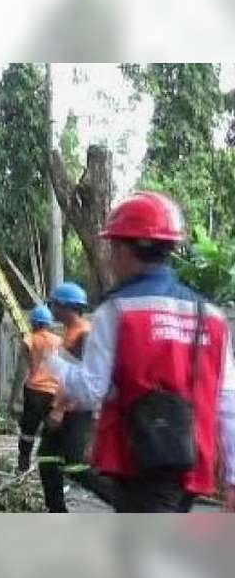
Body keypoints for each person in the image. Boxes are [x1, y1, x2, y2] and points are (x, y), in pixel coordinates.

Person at [46, 191, 235, 512]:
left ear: (123, 249)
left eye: (112, 248)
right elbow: (228, 401)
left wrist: (51, 361)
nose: (109, 256)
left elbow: (92, 389)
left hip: (138, 462)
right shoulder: (212, 317)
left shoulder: (118, 311)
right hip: (191, 465)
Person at [36, 281, 115, 512]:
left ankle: (122, 502)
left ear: (67, 307)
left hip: (77, 410)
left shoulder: (84, 335)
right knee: (47, 460)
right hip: (64, 407)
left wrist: (60, 408)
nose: (52, 309)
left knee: (75, 465)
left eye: (55, 305)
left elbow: (83, 379)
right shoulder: (69, 333)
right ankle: (56, 511)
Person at [17, 305, 62, 474]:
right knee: (52, 432)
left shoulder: (30, 339)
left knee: (28, 430)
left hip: (34, 390)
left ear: (33, 323)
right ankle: (53, 468)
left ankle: (23, 465)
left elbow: (24, 363)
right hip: (54, 391)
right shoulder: (59, 341)